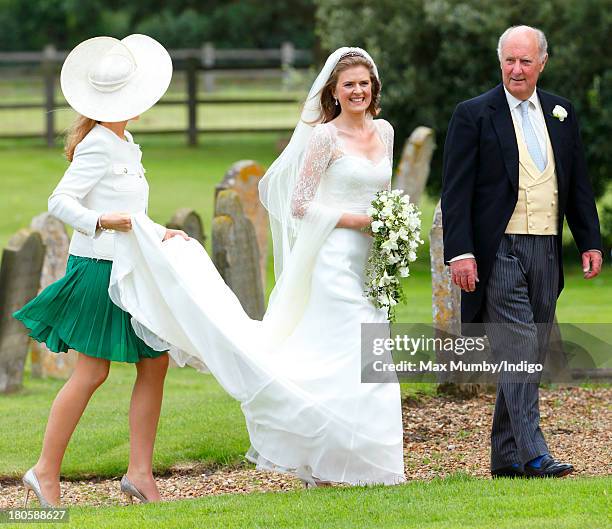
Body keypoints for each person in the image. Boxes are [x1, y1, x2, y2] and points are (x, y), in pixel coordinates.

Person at [108, 47, 406, 486]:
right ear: (334, 92)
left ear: (374, 87)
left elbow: (384, 192)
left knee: (372, 351)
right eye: (349, 85)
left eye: (365, 83)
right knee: (342, 351)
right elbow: (300, 203)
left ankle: (369, 465)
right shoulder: (324, 137)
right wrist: (360, 221)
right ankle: (322, 460)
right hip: (331, 257)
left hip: (373, 260)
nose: (358, 91)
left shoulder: (385, 130)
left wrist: (392, 228)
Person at [14, 34, 187, 506]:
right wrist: (101, 221)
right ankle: (44, 473)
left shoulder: (125, 142)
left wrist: (160, 231)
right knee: (92, 374)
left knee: (156, 362)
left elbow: (128, 208)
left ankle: (139, 474)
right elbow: (59, 202)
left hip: (132, 267)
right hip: (98, 271)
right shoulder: (97, 145)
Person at [441, 25, 602, 478]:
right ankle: (534, 454)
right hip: (500, 250)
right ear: (500, 62)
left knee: (530, 346)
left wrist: (589, 239)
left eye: (525, 61)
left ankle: (506, 456)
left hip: (547, 249)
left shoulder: (561, 112)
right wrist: (461, 253)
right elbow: (456, 192)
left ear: (542, 62)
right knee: (519, 349)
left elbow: (577, 184)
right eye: (509, 60)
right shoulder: (473, 114)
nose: (516, 69)